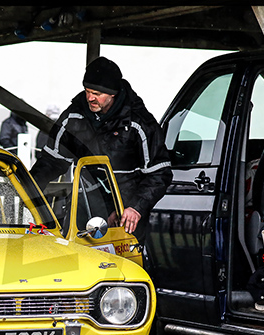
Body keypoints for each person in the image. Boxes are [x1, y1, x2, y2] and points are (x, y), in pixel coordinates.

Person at [30, 56, 172, 243]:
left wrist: (135, 208)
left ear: (112, 94)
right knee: (78, 265)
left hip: (125, 216)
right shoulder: (73, 117)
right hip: (83, 211)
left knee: (121, 269)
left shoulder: (139, 122)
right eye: (87, 91)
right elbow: (52, 160)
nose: (90, 98)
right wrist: (26, 190)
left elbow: (159, 173)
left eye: (97, 93)